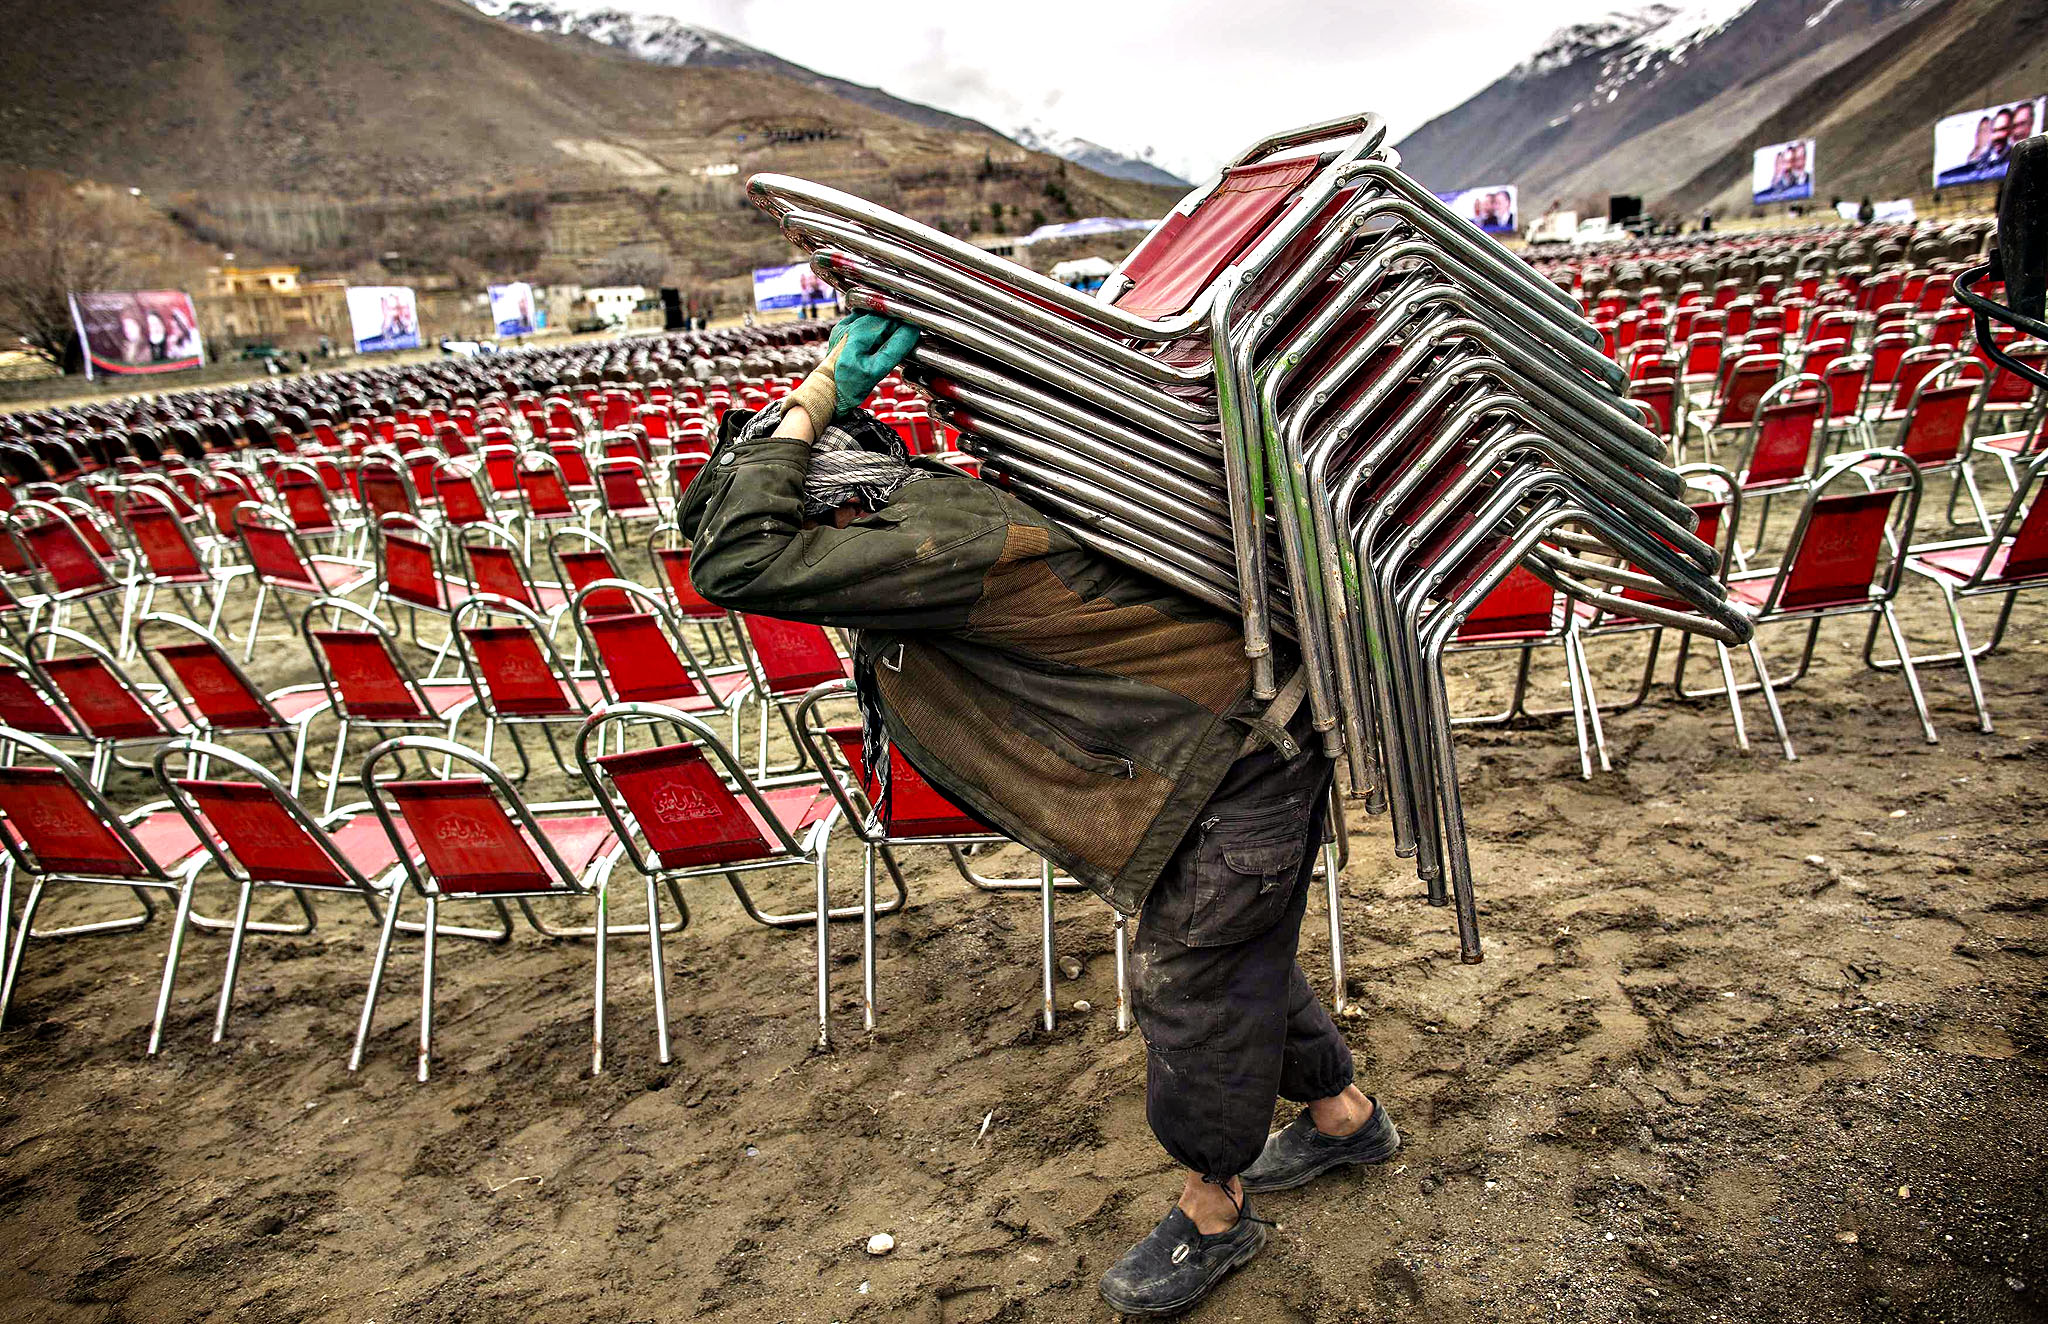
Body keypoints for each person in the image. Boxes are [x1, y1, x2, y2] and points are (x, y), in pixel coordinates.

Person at [676, 313, 1396, 1316]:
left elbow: (735, 558)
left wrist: (814, 394)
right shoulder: (908, 511)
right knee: (1229, 949)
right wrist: (814, 413)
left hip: (1234, 758)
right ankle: (1339, 1116)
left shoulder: (934, 542)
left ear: (840, 518)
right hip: (1197, 751)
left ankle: (1213, 1207)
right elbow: (722, 521)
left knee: (1187, 975)